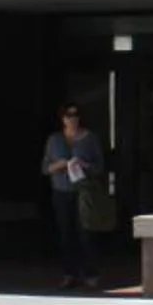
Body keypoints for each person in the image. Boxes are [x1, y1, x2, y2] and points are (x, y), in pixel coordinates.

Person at [41, 105, 106, 291]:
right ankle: (69, 274)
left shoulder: (90, 139)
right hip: (61, 191)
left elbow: (100, 167)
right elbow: (45, 168)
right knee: (66, 233)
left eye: (76, 115)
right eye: (69, 115)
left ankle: (91, 273)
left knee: (86, 232)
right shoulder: (54, 140)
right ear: (62, 118)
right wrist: (60, 164)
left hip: (84, 192)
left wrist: (84, 165)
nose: (73, 119)